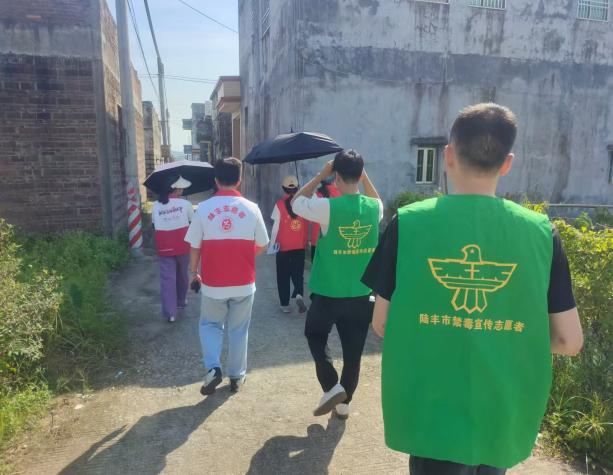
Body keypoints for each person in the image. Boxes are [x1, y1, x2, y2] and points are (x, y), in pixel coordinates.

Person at [362, 103, 584, 475]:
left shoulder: (408, 224)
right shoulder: (542, 234)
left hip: (432, 412)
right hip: (500, 414)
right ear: (507, 163)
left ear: (448, 156)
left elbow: (382, 323)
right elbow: (569, 341)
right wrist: (506, 336)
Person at [292, 149, 383, 420]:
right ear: (360, 174)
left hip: (328, 292)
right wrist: (364, 176)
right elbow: (377, 200)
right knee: (353, 352)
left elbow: (296, 202)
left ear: (337, 177)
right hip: (361, 293)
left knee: (314, 334)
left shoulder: (327, 208)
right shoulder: (373, 208)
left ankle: (332, 386)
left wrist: (320, 175)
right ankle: (344, 404)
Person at [185, 157, 269, 394]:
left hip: (213, 283)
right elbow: (263, 244)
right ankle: (236, 377)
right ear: (239, 180)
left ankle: (213, 368)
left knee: (210, 324)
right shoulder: (252, 208)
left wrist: (194, 273)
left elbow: (195, 245)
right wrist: (245, 255)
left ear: (216, 180)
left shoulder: (203, 209)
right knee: (239, 329)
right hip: (244, 282)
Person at [151, 175, 194, 323]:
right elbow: (192, 222)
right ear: (177, 189)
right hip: (183, 244)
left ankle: (170, 313)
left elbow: (154, 225)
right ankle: (181, 301)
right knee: (182, 274)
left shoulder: (155, 205)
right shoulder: (186, 204)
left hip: (164, 245)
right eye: (181, 188)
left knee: (167, 278)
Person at [269, 175, 309, 314]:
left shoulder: (279, 204)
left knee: (283, 276)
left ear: (283, 188)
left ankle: (285, 304)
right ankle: (299, 294)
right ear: (297, 188)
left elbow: (275, 228)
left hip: (283, 247)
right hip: (299, 246)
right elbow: (307, 225)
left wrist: (272, 245)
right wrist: (306, 241)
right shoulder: (303, 203)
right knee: (298, 274)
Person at [310, 178, 341, 261]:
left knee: (317, 264)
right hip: (335, 239)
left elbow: (311, 214)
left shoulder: (317, 195)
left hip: (317, 237)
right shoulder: (341, 194)